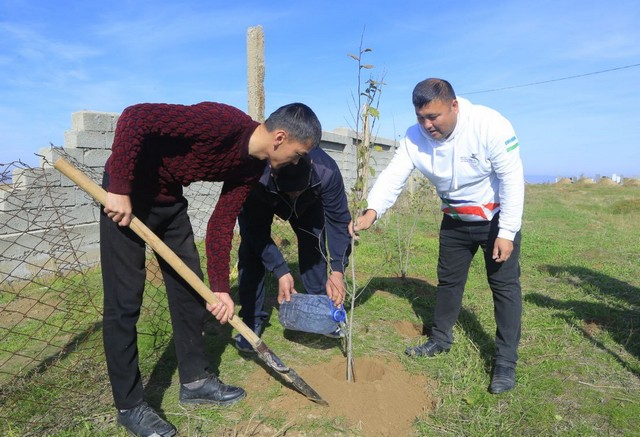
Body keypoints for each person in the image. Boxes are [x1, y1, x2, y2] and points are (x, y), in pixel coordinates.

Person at [100, 101, 322, 437]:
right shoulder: (222, 123)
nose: (298, 160)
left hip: (168, 201)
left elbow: (221, 223)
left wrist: (219, 287)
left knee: (192, 292)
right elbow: (135, 117)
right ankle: (130, 406)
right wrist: (118, 187)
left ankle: (195, 380)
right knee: (124, 302)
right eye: (298, 152)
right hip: (126, 196)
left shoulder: (251, 168)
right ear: (280, 137)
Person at [352, 78, 524, 394]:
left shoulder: (490, 125)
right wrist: (372, 210)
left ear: (454, 106)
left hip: (495, 218)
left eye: (434, 117)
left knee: (504, 287)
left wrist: (507, 231)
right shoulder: (414, 138)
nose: (428, 125)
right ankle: (441, 339)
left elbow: (512, 178)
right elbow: (394, 175)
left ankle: (504, 363)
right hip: (455, 219)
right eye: (421, 118)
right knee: (448, 281)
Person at [234, 146, 351, 352]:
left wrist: (338, 269)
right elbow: (254, 230)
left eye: (298, 189)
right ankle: (252, 321)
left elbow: (339, 222)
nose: (294, 194)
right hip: (267, 196)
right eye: (291, 191)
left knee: (314, 243)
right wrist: (280, 269)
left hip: (310, 202)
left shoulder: (327, 171)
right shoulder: (256, 175)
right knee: (250, 251)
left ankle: (320, 309)